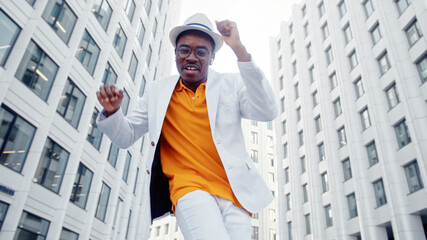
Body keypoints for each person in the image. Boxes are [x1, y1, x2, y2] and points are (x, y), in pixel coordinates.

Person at [96, 13, 278, 240]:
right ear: (176, 54)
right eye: (184, 50)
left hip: (234, 193)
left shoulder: (231, 84)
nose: (191, 57)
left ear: (211, 57)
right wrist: (113, 112)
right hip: (189, 189)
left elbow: (267, 111)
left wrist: (239, 50)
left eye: (201, 52)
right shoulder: (157, 91)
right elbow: (126, 136)